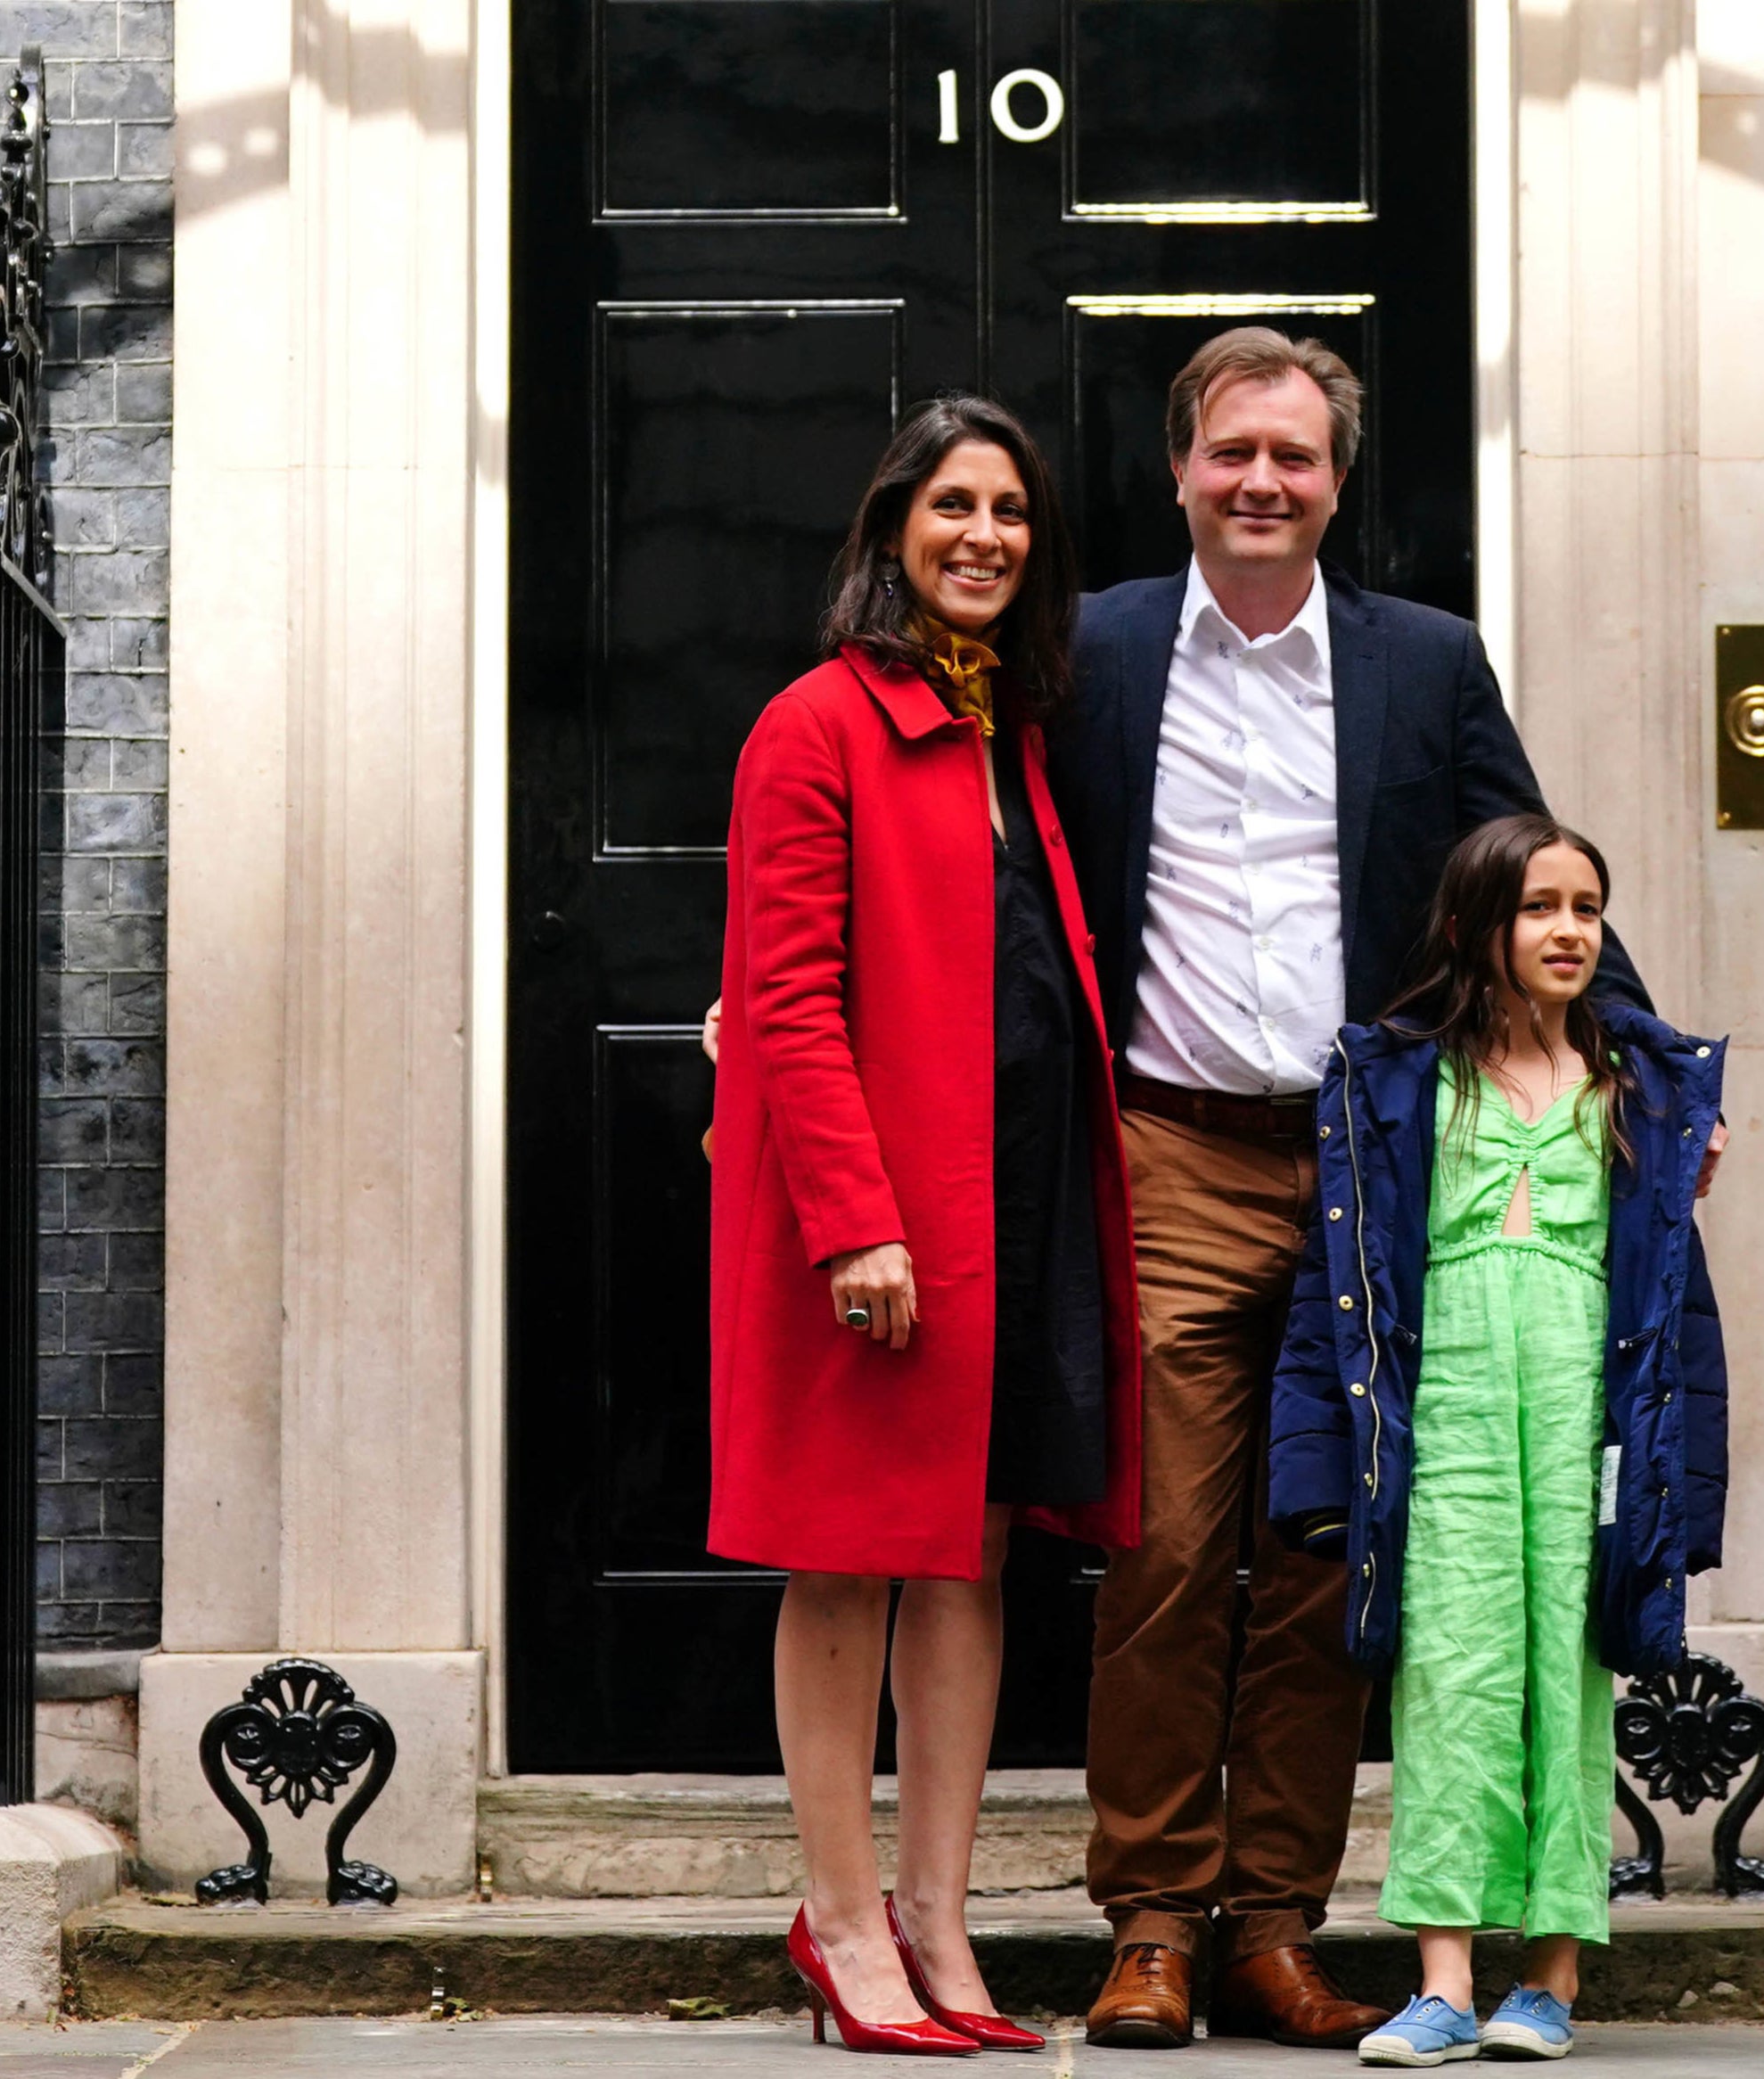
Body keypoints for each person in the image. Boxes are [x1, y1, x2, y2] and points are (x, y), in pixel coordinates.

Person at [1046, 327, 1723, 2050]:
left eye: (1297, 457)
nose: (1263, 482)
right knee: (1171, 1544)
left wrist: (1640, 1060)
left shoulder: (1422, 662)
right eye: (1232, 454)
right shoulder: (1102, 649)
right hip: (1172, 1148)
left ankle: (1276, 1916)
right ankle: (1147, 1915)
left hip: (1375, 1167)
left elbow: (1527, 864)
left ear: (1337, 482)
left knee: (1332, 1544)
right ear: (1183, 470)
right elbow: (979, 858)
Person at [709, 396, 1143, 2056]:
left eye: (1012, 511)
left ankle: (942, 1927)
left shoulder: (1009, 729)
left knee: (971, 1562)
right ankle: (837, 1921)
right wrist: (853, 1226)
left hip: (1012, 1198)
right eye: (954, 505)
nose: (986, 536)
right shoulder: (814, 727)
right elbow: (788, 1005)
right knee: (844, 1562)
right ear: (895, 526)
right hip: (881, 1225)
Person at [1266, 815, 1728, 2067]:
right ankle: (1444, 1980)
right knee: (1451, 1680)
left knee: (1564, 1681)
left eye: (1588, 906)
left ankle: (1553, 1978)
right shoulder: (1401, 1080)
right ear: (1478, 928)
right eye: (1540, 908)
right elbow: (1339, 1282)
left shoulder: (1640, 1090)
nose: (1571, 930)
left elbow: (1677, 1305)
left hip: (1587, 1417)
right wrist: (1311, 1464)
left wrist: (1684, 1486)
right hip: (1449, 1413)